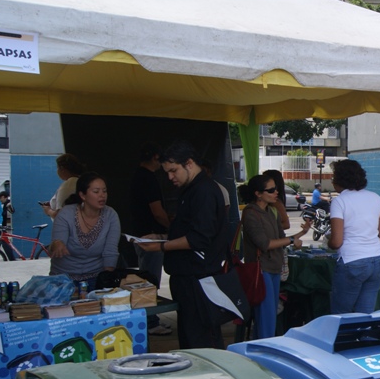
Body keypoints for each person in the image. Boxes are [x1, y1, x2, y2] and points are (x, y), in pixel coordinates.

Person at [137, 141, 228, 349]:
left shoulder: (204, 191)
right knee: (190, 336)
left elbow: (199, 238)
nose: (170, 177)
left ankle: (209, 377)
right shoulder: (191, 189)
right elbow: (187, 231)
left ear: (188, 163)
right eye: (167, 172)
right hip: (186, 277)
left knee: (202, 338)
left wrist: (161, 247)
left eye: (173, 170)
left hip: (199, 278)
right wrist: (161, 237)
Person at [241, 174, 309, 338]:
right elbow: (265, 244)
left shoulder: (270, 211)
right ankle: (264, 350)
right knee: (266, 317)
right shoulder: (251, 213)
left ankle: (261, 348)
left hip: (274, 267)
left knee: (269, 314)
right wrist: (292, 239)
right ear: (258, 193)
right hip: (261, 269)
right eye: (271, 190)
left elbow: (281, 238)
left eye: (276, 189)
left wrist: (302, 233)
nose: (276, 192)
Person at [328, 159, 380, 314]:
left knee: (342, 315)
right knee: (365, 314)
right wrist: (376, 252)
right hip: (377, 260)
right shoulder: (375, 198)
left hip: (352, 260)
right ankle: (363, 337)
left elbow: (336, 241)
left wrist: (328, 241)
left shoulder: (339, 202)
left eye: (333, 177)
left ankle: (344, 338)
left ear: (340, 179)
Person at [129, 143, 173, 336]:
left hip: (140, 233)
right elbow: (157, 212)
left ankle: (149, 318)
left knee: (146, 277)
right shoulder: (148, 179)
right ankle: (150, 320)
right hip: (150, 237)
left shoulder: (137, 176)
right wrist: (172, 228)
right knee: (150, 279)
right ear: (156, 157)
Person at [49, 173, 121, 283]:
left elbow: (110, 251)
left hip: (95, 277)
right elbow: (58, 241)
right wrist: (57, 244)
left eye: (104, 191)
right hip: (63, 278)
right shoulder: (66, 214)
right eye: (96, 192)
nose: (102, 195)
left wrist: (107, 280)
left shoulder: (111, 215)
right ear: (83, 195)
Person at [40, 153, 86, 219]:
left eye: (57, 168)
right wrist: (53, 204)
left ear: (62, 169)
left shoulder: (69, 184)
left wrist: (48, 210)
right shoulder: (81, 181)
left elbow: (60, 215)